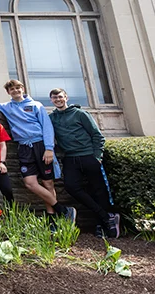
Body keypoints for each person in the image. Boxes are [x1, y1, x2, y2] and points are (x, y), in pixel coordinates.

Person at [0, 80, 77, 224]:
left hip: (40, 145)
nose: (15, 91)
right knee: (30, 182)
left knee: (48, 183)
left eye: (17, 88)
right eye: (12, 89)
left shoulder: (36, 105)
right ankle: (63, 210)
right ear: (8, 92)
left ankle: (52, 218)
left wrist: (49, 149)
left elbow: (47, 127)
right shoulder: (7, 107)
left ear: (22, 89)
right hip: (24, 147)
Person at [49, 88, 120, 238]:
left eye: (60, 97)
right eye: (55, 98)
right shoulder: (52, 118)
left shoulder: (80, 114)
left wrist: (97, 157)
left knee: (99, 191)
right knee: (71, 187)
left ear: (66, 97)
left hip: (88, 156)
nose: (58, 100)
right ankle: (107, 217)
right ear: (51, 101)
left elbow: (97, 136)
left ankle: (103, 224)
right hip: (70, 158)